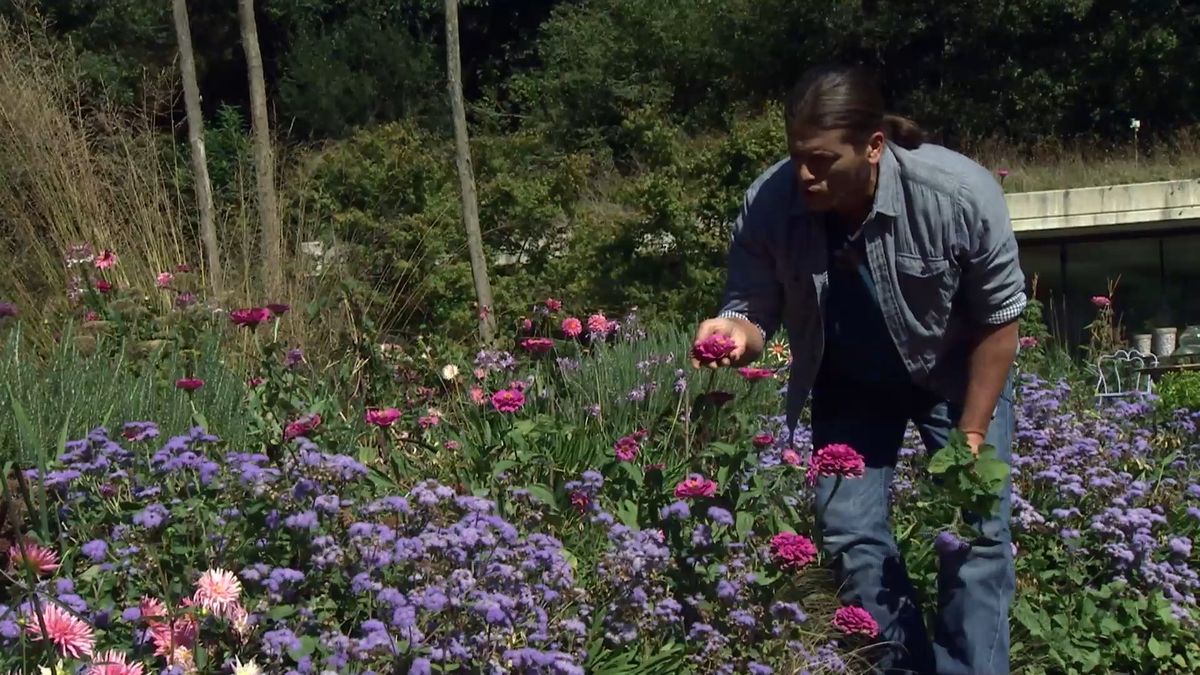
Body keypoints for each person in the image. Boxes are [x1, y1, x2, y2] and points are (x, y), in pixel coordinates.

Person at [692, 64, 1024, 675]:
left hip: (956, 372)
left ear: (874, 147)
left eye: (821, 160)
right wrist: (734, 332)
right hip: (848, 380)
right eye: (796, 156)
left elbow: (1000, 320)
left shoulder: (958, 194)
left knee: (977, 536)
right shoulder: (771, 204)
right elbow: (752, 306)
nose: (804, 174)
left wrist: (973, 434)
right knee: (849, 533)